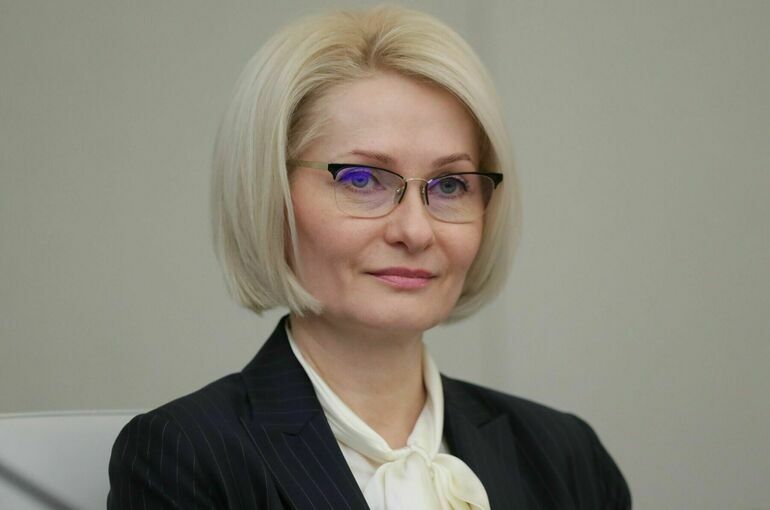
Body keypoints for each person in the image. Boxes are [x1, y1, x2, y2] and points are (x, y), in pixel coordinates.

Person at [108, 6, 631, 509]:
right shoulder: (185, 456)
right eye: (361, 180)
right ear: (271, 195)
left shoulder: (566, 457)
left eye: (450, 184)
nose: (415, 231)